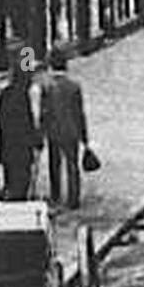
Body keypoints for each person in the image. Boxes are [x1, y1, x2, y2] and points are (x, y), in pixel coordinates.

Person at [40, 52, 90, 210]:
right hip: (71, 130)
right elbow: (79, 113)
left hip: (53, 131)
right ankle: (73, 199)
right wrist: (84, 136)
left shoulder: (47, 86)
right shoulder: (74, 86)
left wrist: (42, 131)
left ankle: (55, 196)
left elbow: (44, 111)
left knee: (54, 164)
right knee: (72, 165)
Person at [0, 59, 41, 202]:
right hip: (22, 149)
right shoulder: (25, 96)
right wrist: (36, 141)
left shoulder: (4, 94)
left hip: (7, 148)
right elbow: (29, 122)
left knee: (10, 181)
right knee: (22, 184)